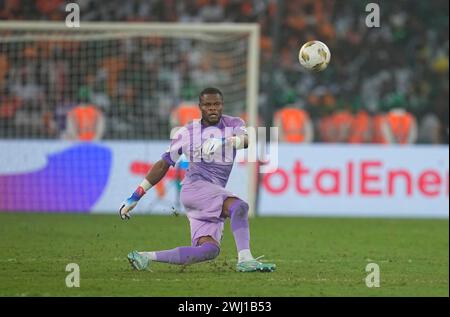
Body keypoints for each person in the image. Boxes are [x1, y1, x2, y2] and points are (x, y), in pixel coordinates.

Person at [119, 87, 276, 273]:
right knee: (239, 207)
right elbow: (163, 164)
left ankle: (145, 256)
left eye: (216, 104)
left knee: (209, 250)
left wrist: (224, 142)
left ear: (222, 105)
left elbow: (247, 140)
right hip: (194, 189)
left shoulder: (233, 123)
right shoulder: (187, 133)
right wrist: (135, 196)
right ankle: (245, 259)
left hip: (209, 195)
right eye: (208, 105)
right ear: (200, 107)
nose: (213, 108)